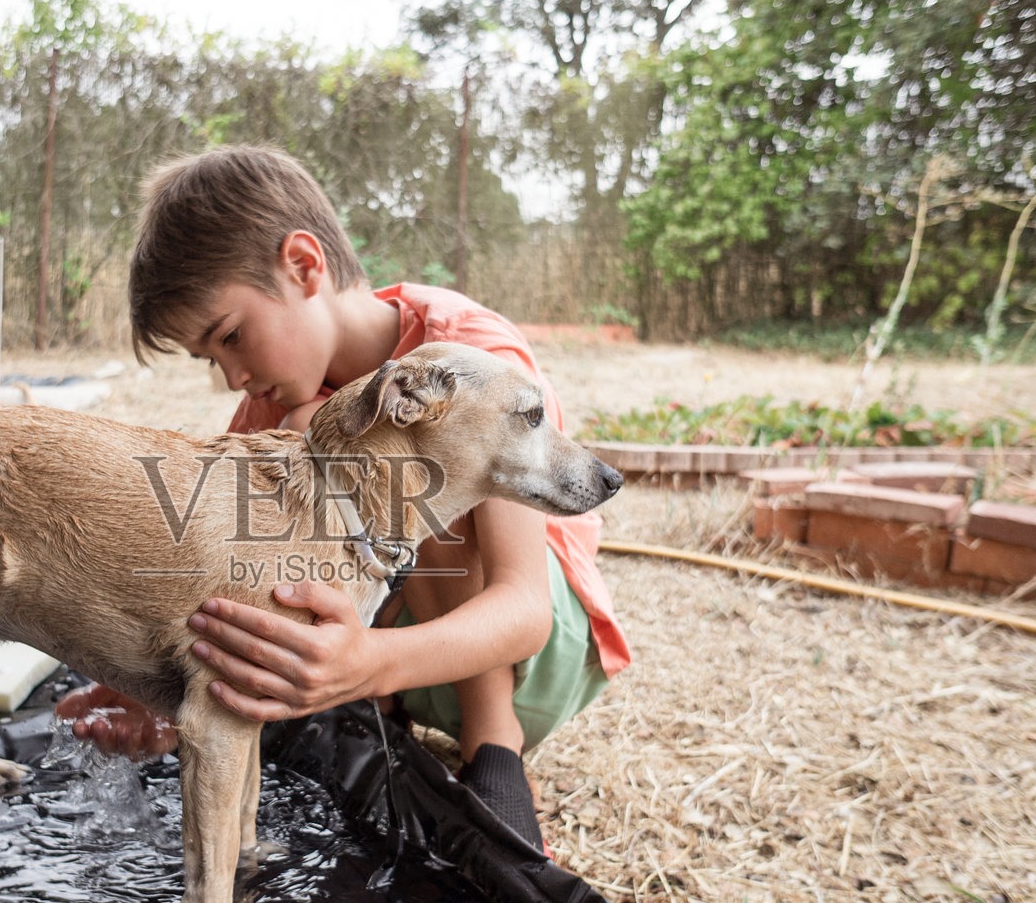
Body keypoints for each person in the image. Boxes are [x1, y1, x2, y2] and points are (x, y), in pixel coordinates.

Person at [56, 146, 629, 850]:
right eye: (212, 358)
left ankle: (493, 749)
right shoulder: (278, 407)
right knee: (274, 503)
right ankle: (377, 717)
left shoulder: (466, 354)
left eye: (232, 336)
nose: (233, 375)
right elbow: (227, 576)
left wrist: (368, 662)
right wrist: (157, 684)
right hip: (389, 664)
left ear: (304, 265)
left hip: (525, 653)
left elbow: (524, 611)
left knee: (405, 460)